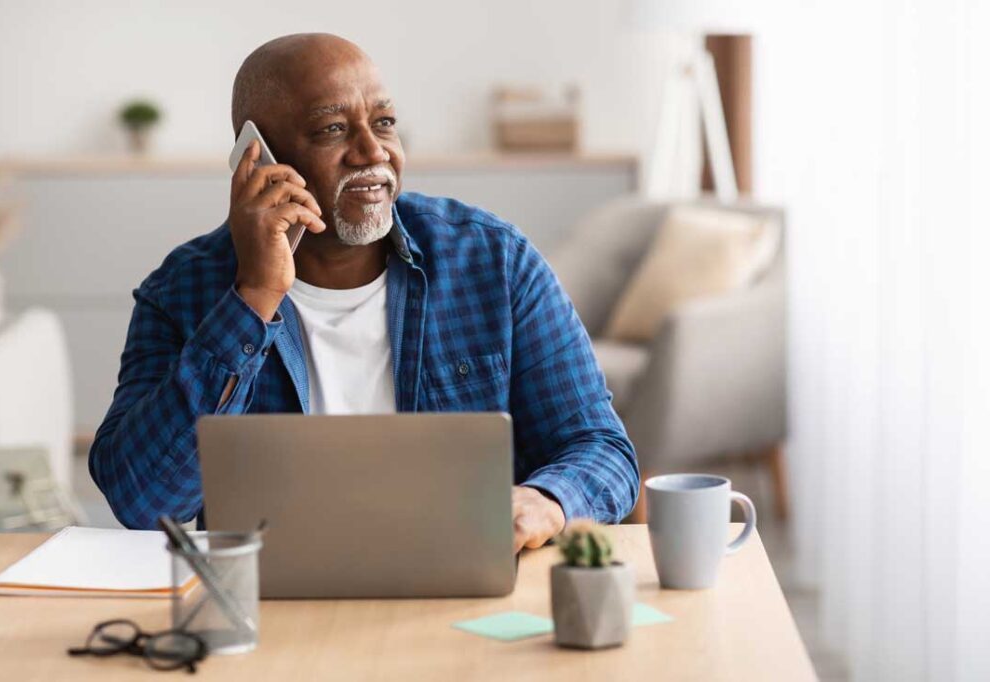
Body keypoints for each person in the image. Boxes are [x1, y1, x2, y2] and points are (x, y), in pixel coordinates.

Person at [89, 33, 639, 553]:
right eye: (332, 129)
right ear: (257, 159)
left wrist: (549, 501)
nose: (372, 151)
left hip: (464, 590)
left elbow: (602, 451)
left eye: (384, 122)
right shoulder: (182, 290)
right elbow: (143, 502)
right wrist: (253, 296)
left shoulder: (493, 260)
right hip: (270, 607)